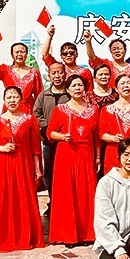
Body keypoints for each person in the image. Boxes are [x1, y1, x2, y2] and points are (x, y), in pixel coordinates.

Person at [0, 86, 45, 252]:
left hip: (23, 164)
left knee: (24, 199)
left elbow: (35, 147)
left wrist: (38, 168)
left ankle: (25, 236)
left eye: (15, 97)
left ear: (21, 99)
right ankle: (4, 237)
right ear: (4, 100)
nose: (12, 100)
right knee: (2, 200)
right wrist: (2, 148)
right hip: (1, 165)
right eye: (8, 97)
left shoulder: (30, 120)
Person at [46, 75, 100, 245]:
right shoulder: (60, 109)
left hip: (86, 153)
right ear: (68, 90)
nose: (77, 88)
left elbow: (96, 136)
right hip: (66, 153)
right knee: (66, 193)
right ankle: (67, 235)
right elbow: (50, 133)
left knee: (85, 192)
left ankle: (86, 234)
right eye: (74, 86)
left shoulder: (93, 110)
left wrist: (98, 157)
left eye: (80, 85)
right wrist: (62, 136)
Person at [33, 62, 69, 214]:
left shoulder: (70, 94)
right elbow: (36, 113)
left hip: (67, 141)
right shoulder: (43, 95)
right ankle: (52, 201)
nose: (57, 76)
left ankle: (65, 203)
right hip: (49, 141)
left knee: (65, 174)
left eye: (60, 72)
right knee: (49, 172)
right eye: (53, 73)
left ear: (65, 74)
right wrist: (47, 128)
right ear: (49, 76)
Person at [99, 75, 130, 174]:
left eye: (129, 83)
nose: (126, 85)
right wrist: (114, 138)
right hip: (114, 152)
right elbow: (101, 134)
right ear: (116, 89)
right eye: (122, 83)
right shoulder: (107, 109)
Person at [0, 38, 43, 113]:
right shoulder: (6, 70)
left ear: (26, 55)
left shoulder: (34, 73)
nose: (19, 54)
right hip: (9, 110)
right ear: (12, 55)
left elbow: (39, 96)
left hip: (27, 111)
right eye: (17, 52)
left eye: (22, 52)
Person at [42, 26, 93, 91]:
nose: (68, 55)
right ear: (61, 56)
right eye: (65, 54)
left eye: (71, 53)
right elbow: (45, 55)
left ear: (76, 54)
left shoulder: (85, 72)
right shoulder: (58, 68)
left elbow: (89, 92)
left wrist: (88, 42)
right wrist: (49, 36)